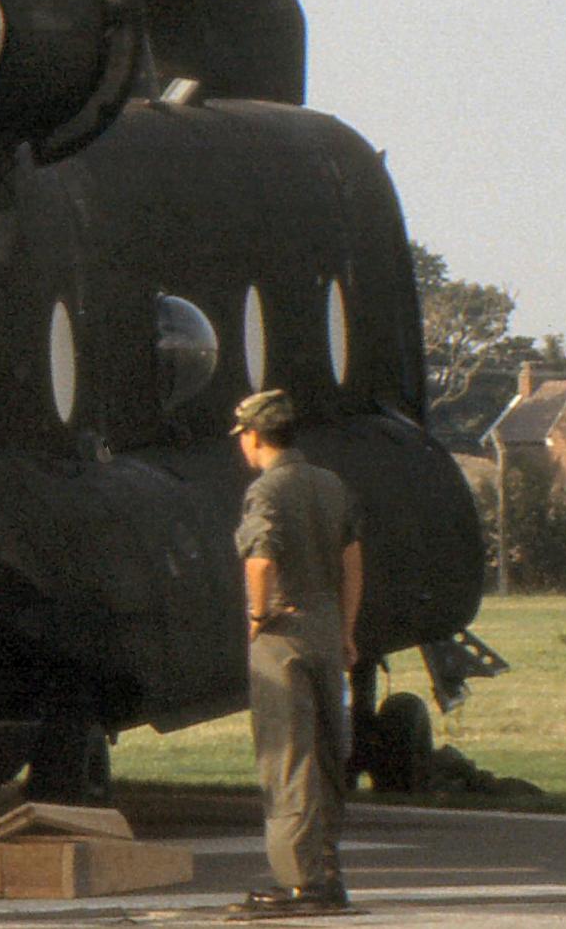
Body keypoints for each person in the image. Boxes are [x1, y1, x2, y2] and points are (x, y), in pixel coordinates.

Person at [230, 389, 364, 917]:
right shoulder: (330, 485)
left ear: (255, 435)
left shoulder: (267, 490)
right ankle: (328, 872)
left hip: (282, 631)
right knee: (329, 753)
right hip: (328, 626)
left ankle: (297, 880)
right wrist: (347, 630)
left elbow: (261, 562)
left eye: (243, 434)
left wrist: (258, 617)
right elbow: (352, 563)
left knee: (287, 757)